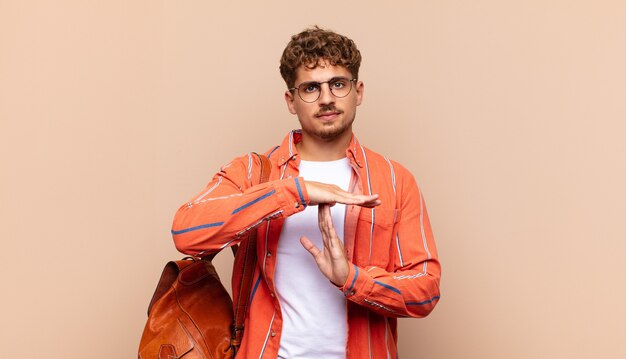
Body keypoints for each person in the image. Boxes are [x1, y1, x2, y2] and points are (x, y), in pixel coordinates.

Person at [171, 26, 441, 359]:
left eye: (338, 84)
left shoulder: (396, 181)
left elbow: (426, 289)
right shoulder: (255, 173)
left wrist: (353, 279)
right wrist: (292, 192)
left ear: (358, 92)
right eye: (311, 88)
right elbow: (186, 232)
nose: (326, 98)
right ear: (291, 100)